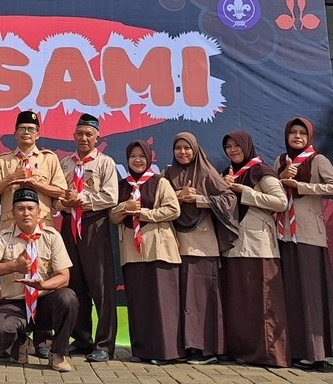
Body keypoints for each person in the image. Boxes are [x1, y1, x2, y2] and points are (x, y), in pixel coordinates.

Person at [0, 110, 67, 359]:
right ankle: (16, 336)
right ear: (14, 133)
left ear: (38, 134)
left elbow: (61, 191)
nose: (26, 133)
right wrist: (12, 178)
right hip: (12, 230)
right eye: (22, 129)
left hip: (41, 230)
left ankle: (44, 339)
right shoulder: (4, 161)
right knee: (14, 281)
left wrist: (35, 184)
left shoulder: (49, 159)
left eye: (31, 129)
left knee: (45, 281)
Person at [273, 117, 333, 368]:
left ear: (309, 137)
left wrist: (302, 186)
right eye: (292, 132)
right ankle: (295, 349)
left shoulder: (318, 160)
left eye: (302, 133)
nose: (297, 136)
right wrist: (281, 178)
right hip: (283, 235)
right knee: (290, 293)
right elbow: (271, 191)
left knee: (311, 293)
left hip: (308, 236)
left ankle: (317, 352)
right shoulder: (281, 161)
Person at [0, 188, 78, 373]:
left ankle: (58, 353)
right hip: (15, 303)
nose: (26, 213)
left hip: (45, 301)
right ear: (12, 213)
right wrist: (14, 266)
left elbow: (64, 277)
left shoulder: (51, 236)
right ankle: (21, 343)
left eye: (31, 208)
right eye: (20, 208)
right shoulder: (4, 238)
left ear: (38, 212)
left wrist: (43, 285)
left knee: (68, 298)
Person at [163, 132, 238, 365]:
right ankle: (184, 347)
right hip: (175, 244)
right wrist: (178, 195)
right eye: (178, 148)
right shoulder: (167, 174)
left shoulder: (207, 172)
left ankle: (207, 350)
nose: (182, 152)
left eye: (187, 148)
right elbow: (156, 199)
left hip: (202, 245)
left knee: (201, 299)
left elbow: (229, 199)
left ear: (195, 150)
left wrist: (198, 199)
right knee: (181, 299)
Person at [220, 130, 289, 367]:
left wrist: (245, 192)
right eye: (228, 146)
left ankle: (268, 354)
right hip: (234, 245)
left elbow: (281, 202)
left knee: (263, 301)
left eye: (237, 145)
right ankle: (242, 351)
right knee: (241, 302)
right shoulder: (228, 173)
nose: (232, 150)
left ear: (247, 146)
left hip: (259, 245)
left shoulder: (260, 171)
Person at [111, 139, 181, 364]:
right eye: (133, 156)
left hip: (158, 249)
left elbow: (173, 209)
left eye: (141, 156)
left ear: (149, 158)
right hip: (132, 252)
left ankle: (165, 352)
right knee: (139, 302)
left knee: (162, 302)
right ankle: (141, 350)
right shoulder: (123, 185)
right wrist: (125, 207)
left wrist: (144, 213)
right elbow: (113, 216)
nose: (137, 160)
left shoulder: (160, 181)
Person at [55, 113, 118, 362]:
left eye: (89, 134)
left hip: (95, 225)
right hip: (69, 224)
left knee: (101, 287)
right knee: (75, 283)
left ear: (97, 137)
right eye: (80, 133)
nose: (84, 138)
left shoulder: (105, 163)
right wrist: (65, 202)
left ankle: (105, 344)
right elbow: (56, 197)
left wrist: (81, 199)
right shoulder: (65, 163)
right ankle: (82, 339)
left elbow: (111, 197)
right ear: (73, 136)